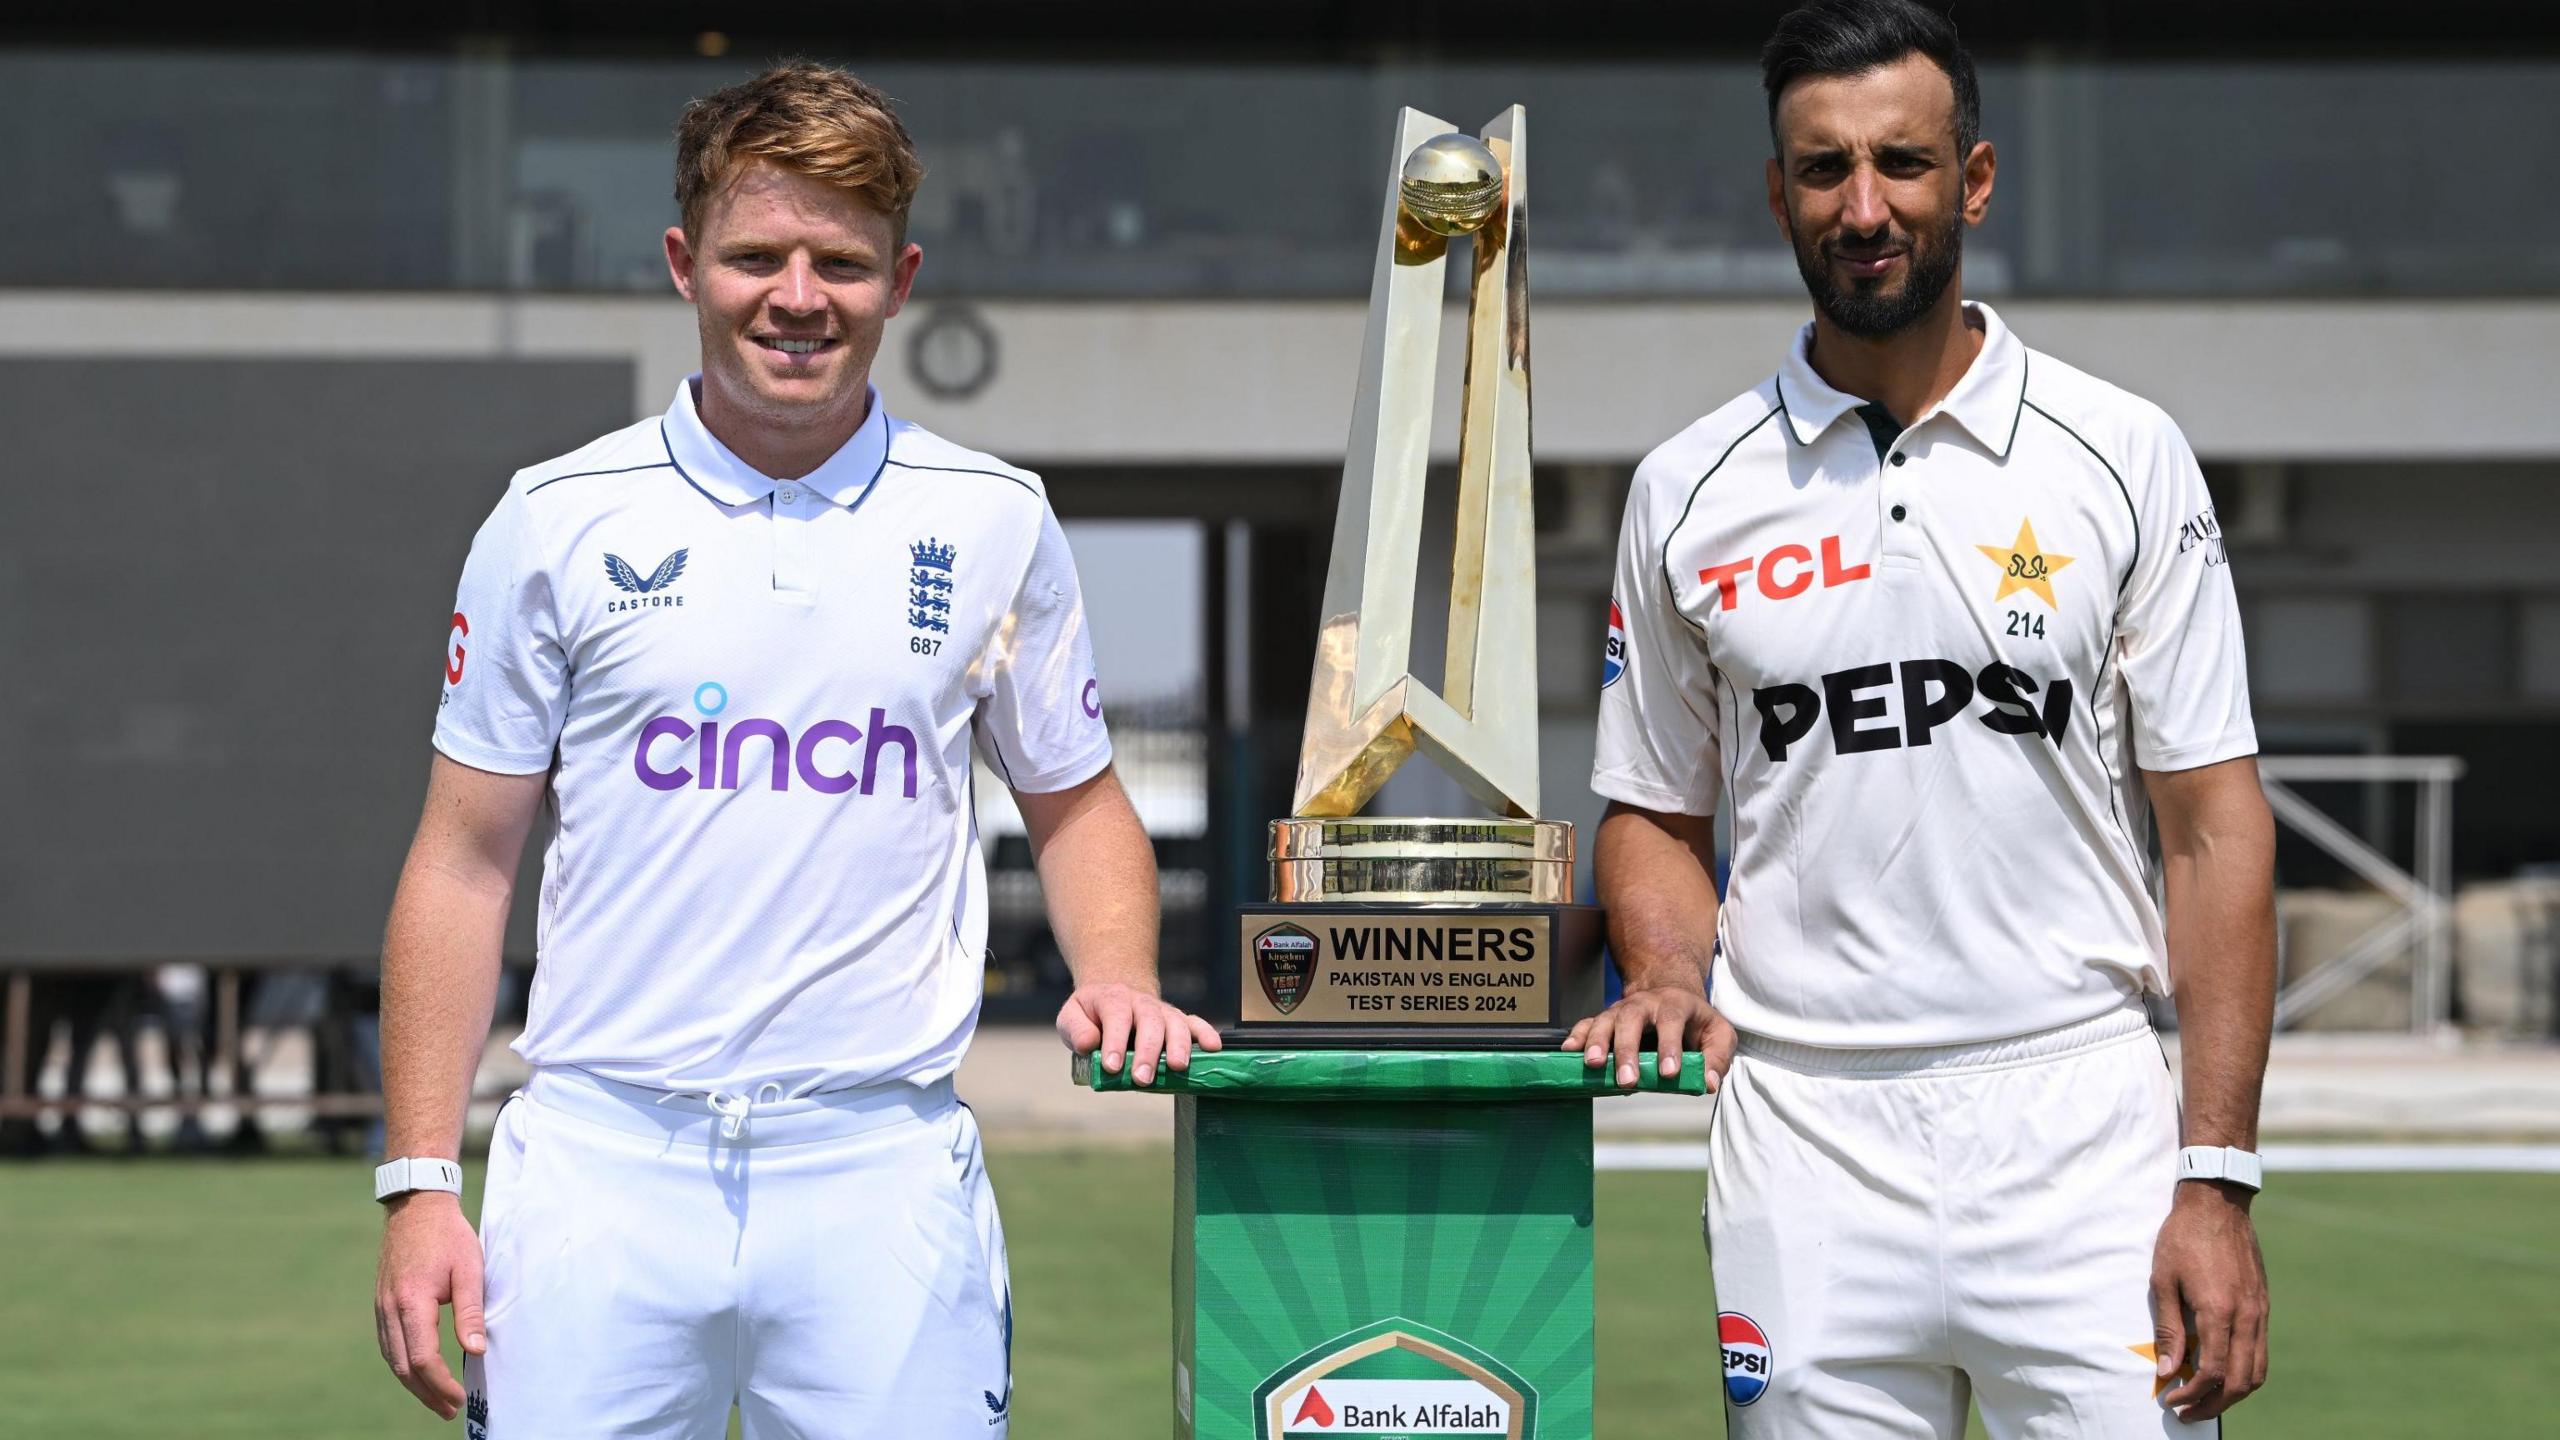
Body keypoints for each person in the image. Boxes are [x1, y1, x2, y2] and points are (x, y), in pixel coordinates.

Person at [369, 62, 1216, 1439]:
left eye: (843, 261)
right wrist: (417, 1182)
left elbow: (1075, 801)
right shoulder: (551, 519)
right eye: (757, 256)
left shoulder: (994, 519)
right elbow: (463, 863)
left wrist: (1116, 976)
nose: (799, 297)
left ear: (903, 275)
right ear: (683, 264)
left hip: (878, 1167)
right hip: (597, 1160)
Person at [1572, 2, 2275, 1434]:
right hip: (1804, 1134)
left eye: (1903, 162)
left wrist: (2215, 1176)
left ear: (1976, 179)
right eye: (1824, 169)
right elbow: (1653, 806)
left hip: (2077, 1116)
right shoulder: (1687, 487)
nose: (1866, 206)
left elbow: (2212, 827)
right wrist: (1658, 966)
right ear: (1778, 192)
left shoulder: (2122, 454)